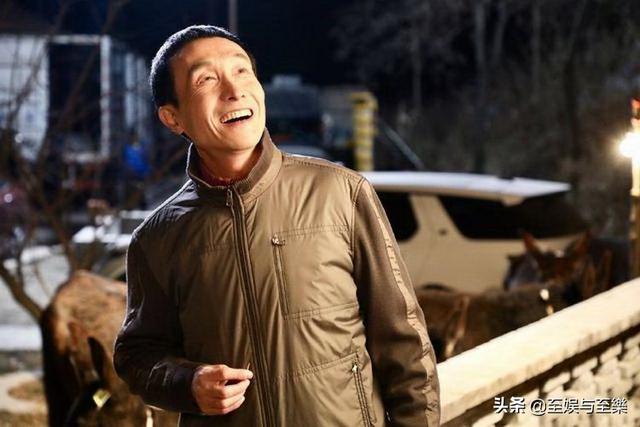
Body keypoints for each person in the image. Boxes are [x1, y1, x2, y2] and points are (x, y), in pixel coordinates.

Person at [113, 25, 440, 427]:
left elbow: (405, 344)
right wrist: (187, 383)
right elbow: (137, 355)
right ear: (172, 117)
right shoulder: (156, 239)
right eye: (206, 80)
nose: (234, 90)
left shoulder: (340, 193)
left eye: (242, 71)